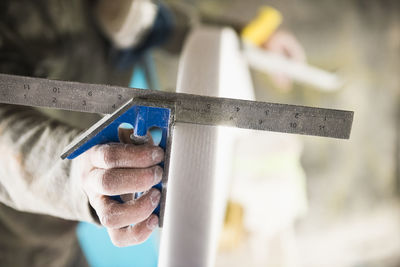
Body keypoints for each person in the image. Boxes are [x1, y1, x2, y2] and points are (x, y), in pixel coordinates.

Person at [0, 1, 305, 266]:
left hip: (58, 234)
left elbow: (157, 21)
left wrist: (246, 35)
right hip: (15, 241)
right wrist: (75, 172)